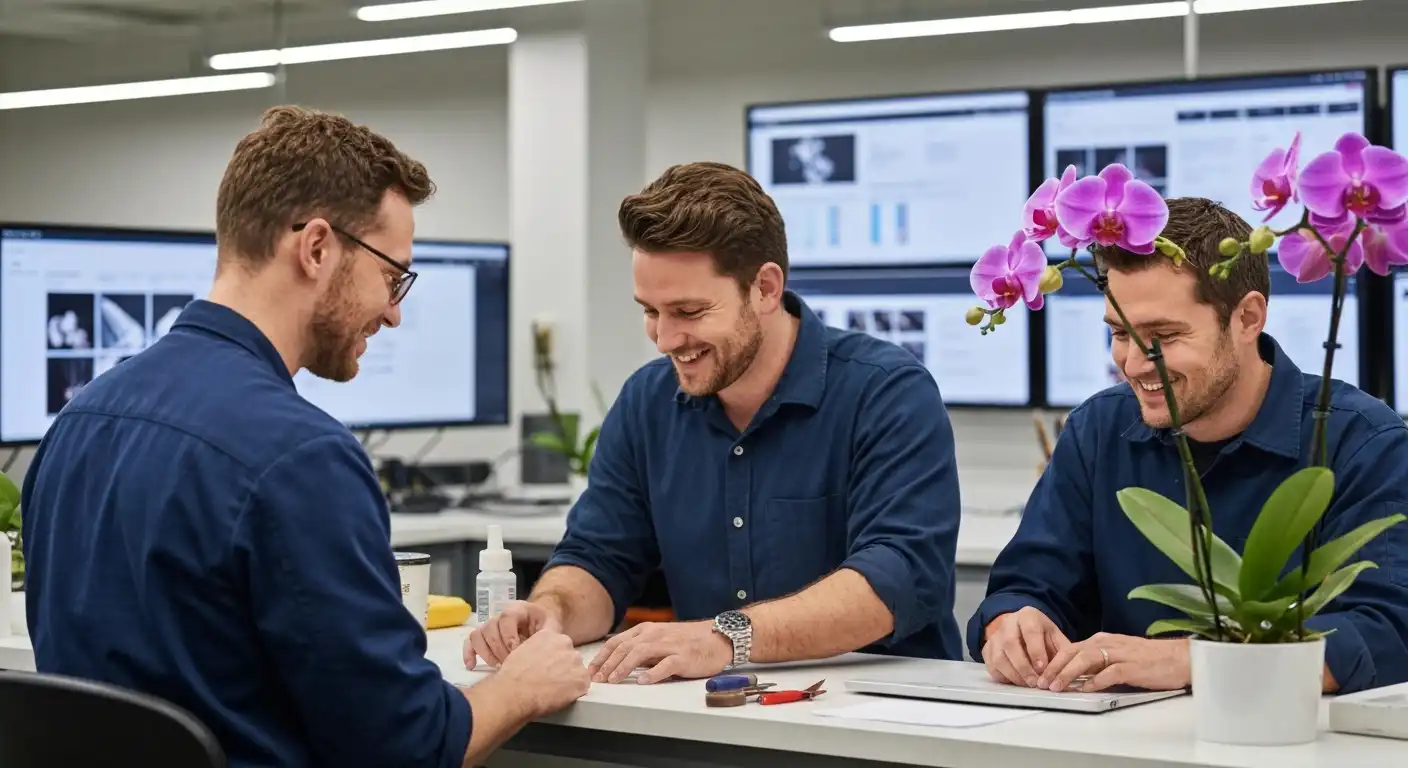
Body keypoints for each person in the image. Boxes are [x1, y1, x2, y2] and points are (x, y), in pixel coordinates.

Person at [21, 106, 589, 768]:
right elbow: (407, 748)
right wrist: (519, 688)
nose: (396, 311)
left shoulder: (80, 421)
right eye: (392, 274)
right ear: (316, 247)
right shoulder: (300, 459)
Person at [468, 161, 965, 683]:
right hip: (715, 719)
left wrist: (728, 637)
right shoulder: (647, 402)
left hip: (883, 722)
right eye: (650, 311)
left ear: (766, 288)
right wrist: (554, 614)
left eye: (688, 311)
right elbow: (599, 557)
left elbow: (898, 576)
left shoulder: (886, 392)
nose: (663, 339)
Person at [969, 197, 1408, 696]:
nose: (1134, 364)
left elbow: (1389, 635)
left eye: (1164, 336)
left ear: (1247, 318)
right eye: (1119, 334)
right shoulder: (1097, 430)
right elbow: (1029, 585)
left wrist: (1193, 660)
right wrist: (1012, 624)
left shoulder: (1363, 443)